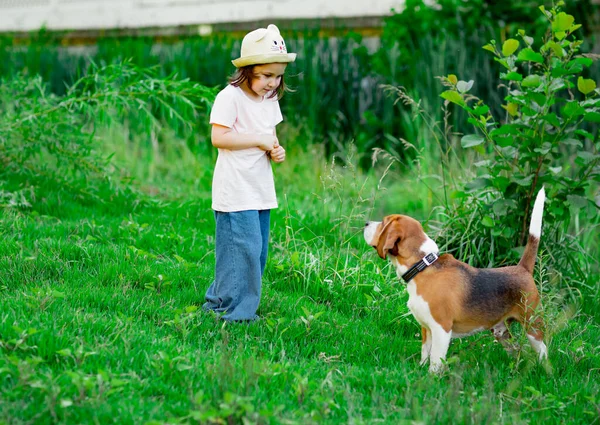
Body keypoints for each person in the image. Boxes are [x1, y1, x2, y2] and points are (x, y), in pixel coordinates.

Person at [202, 24, 296, 321]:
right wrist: (258, 140)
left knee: (256, 253)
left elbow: (270, 136)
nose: (273, 82)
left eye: (278, 75)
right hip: (235, 189)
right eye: (267, 75)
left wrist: (275, 150)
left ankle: (222, 300)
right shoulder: (230, 98)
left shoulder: (269, 100)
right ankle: (236, 312)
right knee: (241, 250)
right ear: (248, 70)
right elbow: (220, 138)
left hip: (260, 189)